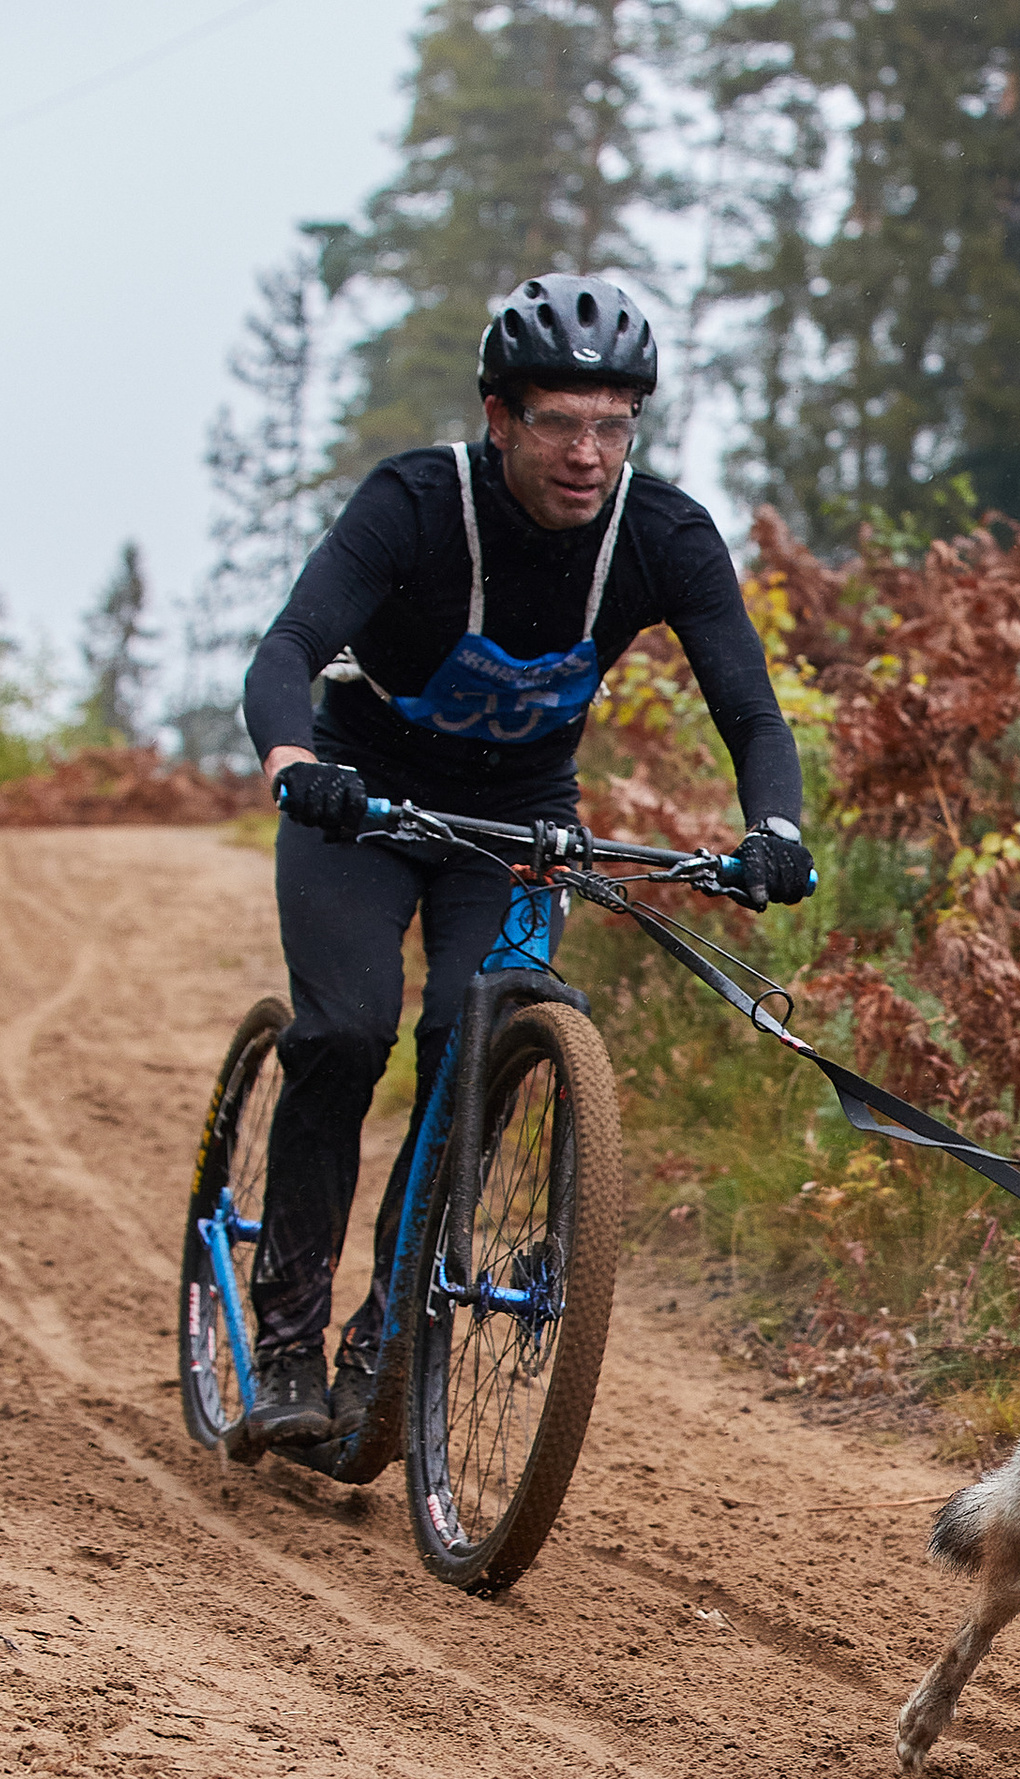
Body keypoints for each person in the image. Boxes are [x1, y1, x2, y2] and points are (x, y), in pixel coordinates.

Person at [241, 273, 814, 1445]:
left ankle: (383, 1343)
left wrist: (777, 832)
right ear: (500, 417)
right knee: (347, 1032)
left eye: (614, 425)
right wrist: (296, 760)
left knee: (476, 1037)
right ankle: (288, 1342)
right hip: (365, 803)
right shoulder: (412, 503)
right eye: (560, 421)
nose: (588, 453)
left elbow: (750, 713)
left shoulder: (662, 536)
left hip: (517, 821)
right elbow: (292, 642)